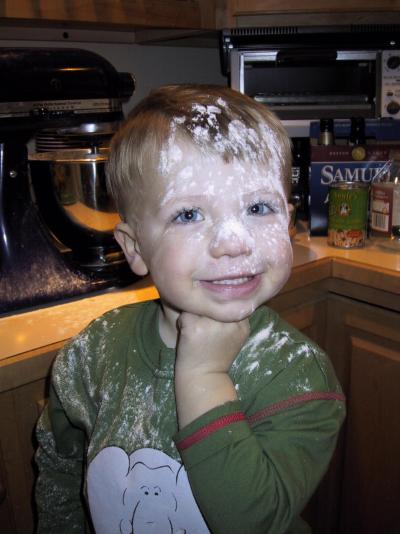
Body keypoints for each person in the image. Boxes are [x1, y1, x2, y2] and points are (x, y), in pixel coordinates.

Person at [35, 85, 345, 534]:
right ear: (136, 248)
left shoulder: (299, 377)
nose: (234, 242)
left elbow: (251, 522)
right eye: (188, 215)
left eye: (258, 207)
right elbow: (59, 463)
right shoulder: (93, 352)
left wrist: (203, 378)